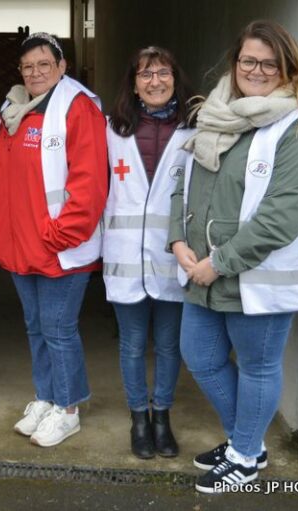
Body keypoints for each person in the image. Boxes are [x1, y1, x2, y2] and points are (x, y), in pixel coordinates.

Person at [169, 20, 298, 492]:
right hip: (202, 271)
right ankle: (249, 442)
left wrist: (217, 263)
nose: (256, 71)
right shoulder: (214, 116)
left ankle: (243, 455)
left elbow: (281, 218)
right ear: (234, 63)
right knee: (200, 357)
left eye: (269, 64)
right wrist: (178, 241)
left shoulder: (297, 130)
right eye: (248, 61)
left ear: (287, 70)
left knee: (258, 367)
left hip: (255, 276)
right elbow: (183, 183)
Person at [0, 32, 108, 447]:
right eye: (28, 66)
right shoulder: (14, 109)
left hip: (59, 246)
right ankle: (46, 395)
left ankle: (68, 408)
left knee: (58, 328)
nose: (35, 72)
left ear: (62, 67)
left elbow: (90, 182)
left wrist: (60, 235)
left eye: (44, 64)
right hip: (21, 244)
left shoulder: (78, 107)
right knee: (36, 327)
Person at [102, 46, 198, 460]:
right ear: (133, 83)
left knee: (169, 345)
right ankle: (138, 418)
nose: (155, 81)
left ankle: (162, 416)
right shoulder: (112, 128)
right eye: (145, 74)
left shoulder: (195, 130)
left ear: (176, 78)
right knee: (132, 344)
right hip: (125, 258)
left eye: (162, 73)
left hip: (174, 257)